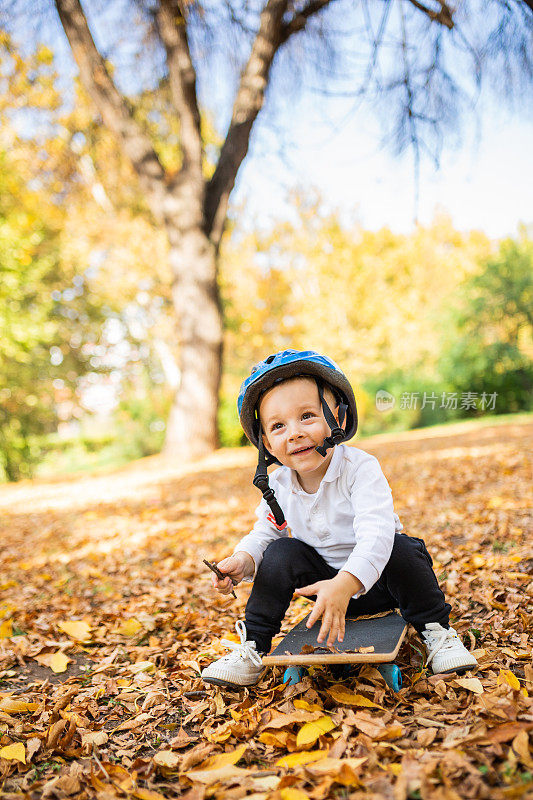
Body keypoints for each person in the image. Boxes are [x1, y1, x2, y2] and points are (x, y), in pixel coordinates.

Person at [201, 350, 478, 687]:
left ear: (340, 419)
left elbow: (376, 534)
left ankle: (438, 632)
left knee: (399, 547)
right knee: (279, 553)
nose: (294, 433)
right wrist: (244, 560)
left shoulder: (359, 468)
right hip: (322, 588)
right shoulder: (278, 485)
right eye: (278, 426)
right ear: (267, 445)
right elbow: (266, 532)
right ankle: (254, 647)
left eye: (307, 416)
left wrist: (345, 584)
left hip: (379, 584)